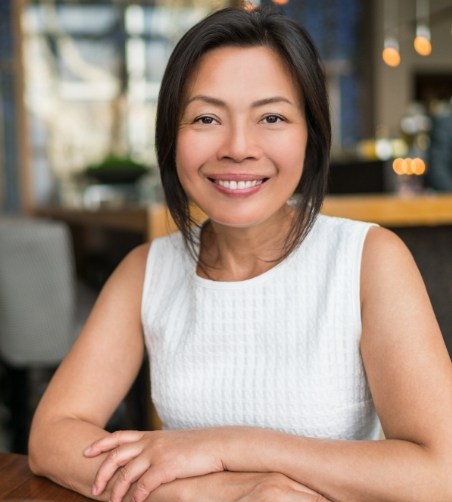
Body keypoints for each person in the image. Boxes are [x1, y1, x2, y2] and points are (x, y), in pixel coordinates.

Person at [29, 7, 452, 501]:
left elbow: (439, 472)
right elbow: (51, 437)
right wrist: (209, 492)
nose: (238, 147)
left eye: (271, 117)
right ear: (171, 136)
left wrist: (229, 446)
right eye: (207, 117)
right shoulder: (148, 270)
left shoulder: (367, 259)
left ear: (310, 136)